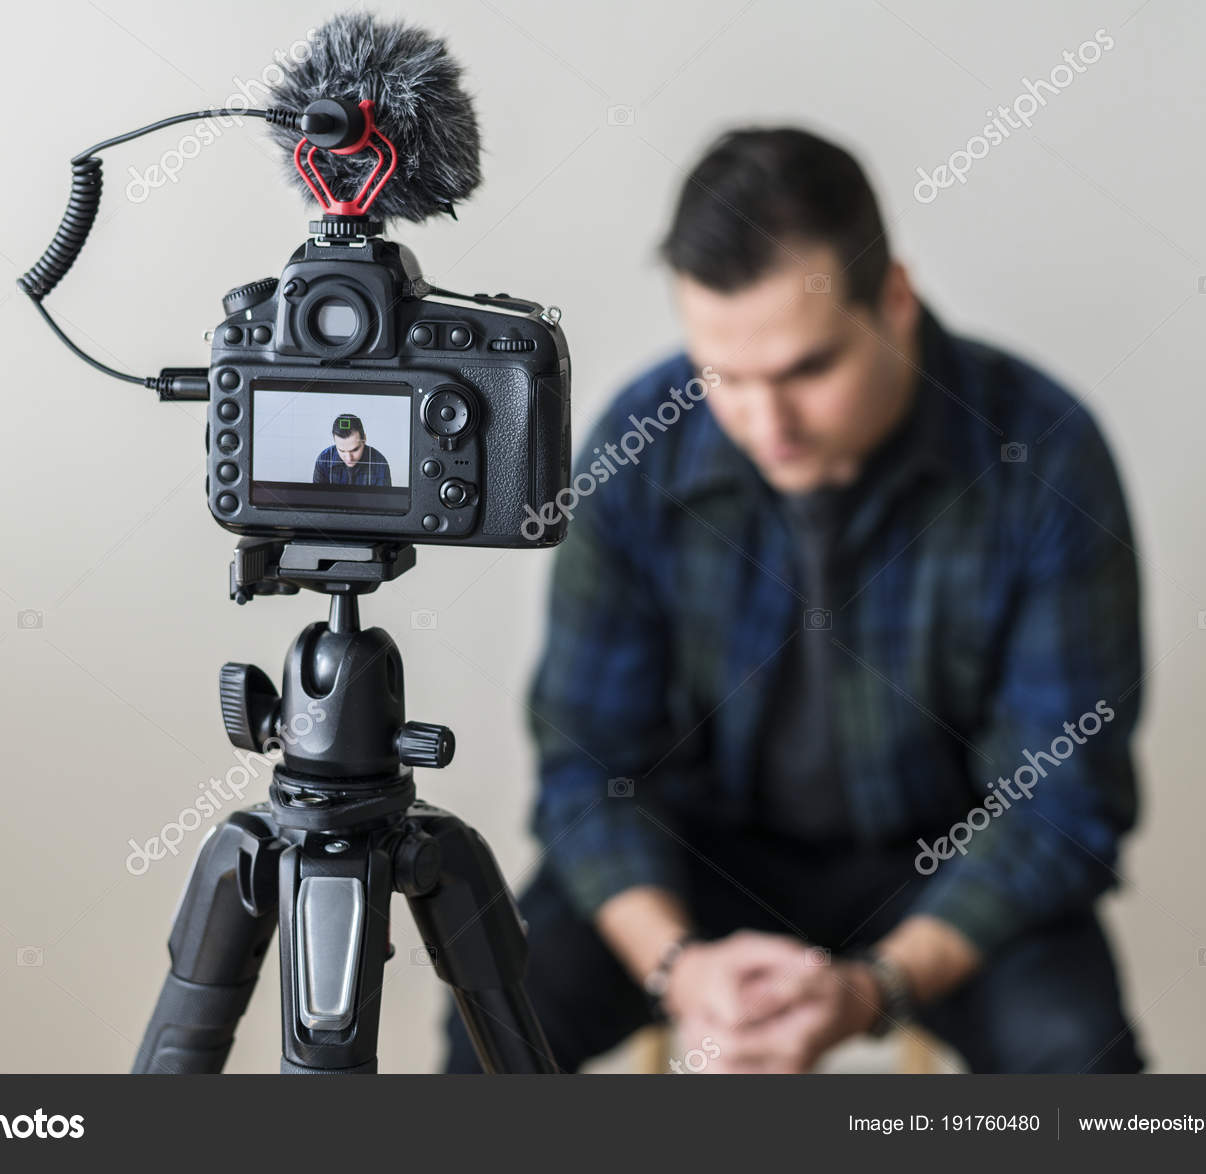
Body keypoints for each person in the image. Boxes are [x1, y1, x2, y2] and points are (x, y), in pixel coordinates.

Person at [444, 126, 1146, 1074]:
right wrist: (681, 970)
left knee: (1077, 1049)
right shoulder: (639, 447)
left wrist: (870, 990)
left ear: (894, 299)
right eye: (722, 375)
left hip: (947, 862)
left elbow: (1063, 799)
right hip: (696, 858)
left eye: (807, 371)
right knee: (493, 1019)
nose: (763, 423)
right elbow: (586, 767)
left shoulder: (1046, 452)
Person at [312, 414, 391, 486]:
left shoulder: (379, 463)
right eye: (342, 451)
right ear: (335, 442)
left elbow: (382, 500)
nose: (349, 458)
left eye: (355, 450)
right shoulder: (324, 460)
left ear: (364, 439)